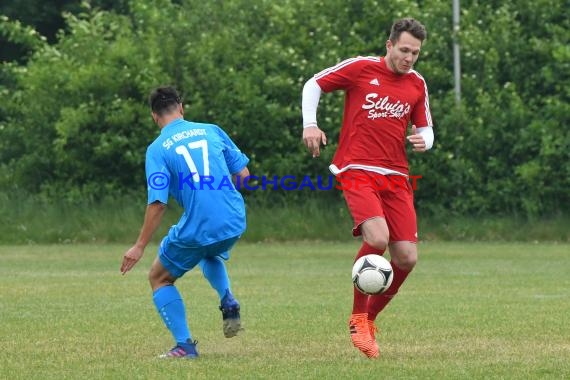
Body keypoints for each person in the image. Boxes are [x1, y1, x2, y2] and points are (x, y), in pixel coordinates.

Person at [301, 18, 434, 359]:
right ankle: (358, 317)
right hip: (357, 168)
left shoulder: (417, 84)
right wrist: (311, 124)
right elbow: (313, 84)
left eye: (415, 52)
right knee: (376, 239)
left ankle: (370, 319)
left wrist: (425, 140)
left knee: (406, 257)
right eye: (404, 50)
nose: (409, 57)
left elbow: (426, 126)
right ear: (389, 46)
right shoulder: (361, 68)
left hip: (396, 177)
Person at [120, 85, 250, 358]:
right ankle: (227, 299)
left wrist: (139, 246)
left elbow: (157, 202)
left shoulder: (157, 149)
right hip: (234, 218)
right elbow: (244, 175)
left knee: (159, 278)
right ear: (181, 108)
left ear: (154, 116)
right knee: (208, 250)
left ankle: (185, 346)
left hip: (200, 223)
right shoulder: (212, 130)